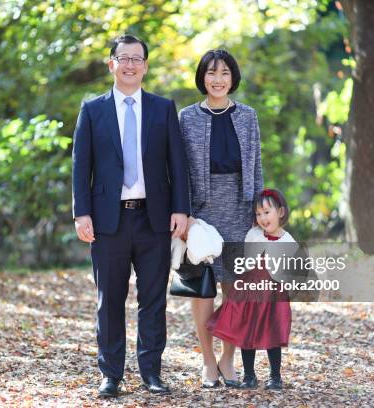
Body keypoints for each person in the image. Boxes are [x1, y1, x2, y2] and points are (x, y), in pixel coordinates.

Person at [72, 34, 190, 398]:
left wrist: (181, 209)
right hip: (108, 222)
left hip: (153, 219)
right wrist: (82, 213)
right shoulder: (92, 110)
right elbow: (81, 166)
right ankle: (111, 374)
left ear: (146, 66)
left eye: (137, 59)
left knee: (153, 299)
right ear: (112, 64)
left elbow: (177, 164)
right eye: (123, 58)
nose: (130, 65)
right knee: (110, 300)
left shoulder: (162, 108)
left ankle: (151, 372)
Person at [179, 49, 263, 388]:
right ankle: (208, 361)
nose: (218, 79)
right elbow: (179, 169)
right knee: (202, 290)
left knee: (235, 291)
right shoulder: (186, 117)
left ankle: (229, 359)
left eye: (225, 73)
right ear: (202, 77)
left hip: (240, 210)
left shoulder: (247, 116)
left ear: (233, 78)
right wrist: (184, 215)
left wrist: (260, 213)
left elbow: (256, 166)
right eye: (211, 73)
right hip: (200, 212)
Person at [207, 188, 293, 390]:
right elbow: (245, 262)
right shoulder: (253, 234)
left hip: (273, 295)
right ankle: (249, 375)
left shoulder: (288, 241)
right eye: (258, 213)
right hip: (251, 292)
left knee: (272, 333)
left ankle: (275, 376)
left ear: (280, 212)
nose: (262, 218)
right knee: (247, 333)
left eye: (267, 212)